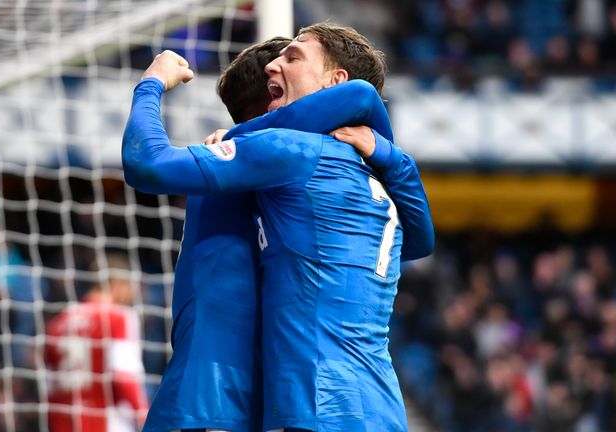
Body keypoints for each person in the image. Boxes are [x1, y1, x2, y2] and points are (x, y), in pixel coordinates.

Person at [123, 23, 433, 431]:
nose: (275, 65)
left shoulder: (290, 153)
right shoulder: (382, 180)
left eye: (293, 55)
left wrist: (150, 85)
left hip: (296, 404)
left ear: (335, 81)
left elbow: (146, 163)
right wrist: (394, 158)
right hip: (379, 408)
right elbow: (420, 242)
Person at [44, 253, 148, 432]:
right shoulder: (118, 317)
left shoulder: (58, 323)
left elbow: (49, 387)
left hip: (63, 424)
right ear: (117, 286)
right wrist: (145, 416)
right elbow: (123, 376)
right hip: (107, 423)